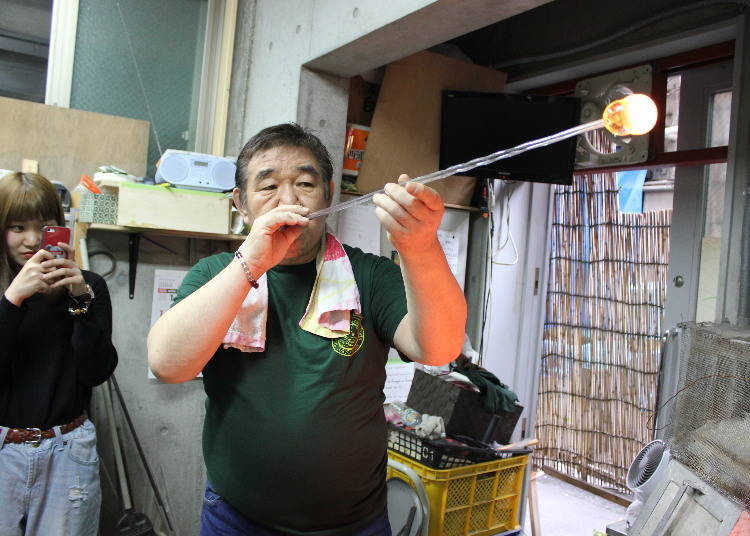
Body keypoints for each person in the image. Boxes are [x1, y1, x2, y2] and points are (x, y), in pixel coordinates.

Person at [148, 123, 467, 535]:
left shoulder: (368, 276)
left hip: (355, 523)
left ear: (328, 195)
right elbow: (167, 365)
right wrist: (251, 264)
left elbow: (438, 349)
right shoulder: (215, 275)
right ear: (241, 204)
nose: (289, 200)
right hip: (237, 518)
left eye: (304, 183)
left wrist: (421, 247)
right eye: (267, 187)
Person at [0, 172, 118, 536]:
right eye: (17, 227)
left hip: (68, 449)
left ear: (60, 228)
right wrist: (13, 299)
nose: (32, 240)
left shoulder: (87, 286)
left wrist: (80, 298)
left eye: (45, 226)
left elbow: (97, 371)